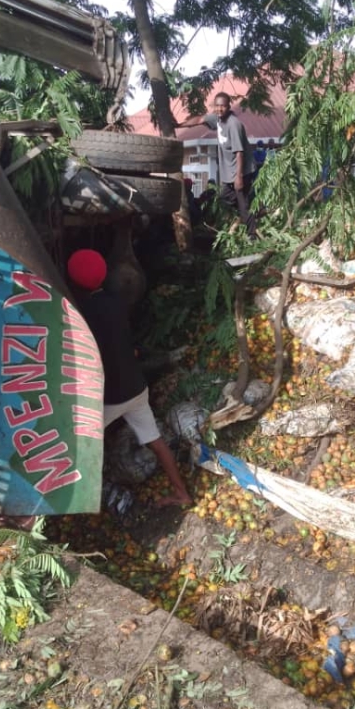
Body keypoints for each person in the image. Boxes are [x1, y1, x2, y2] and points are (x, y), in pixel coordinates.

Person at [67, 249, 193, 508]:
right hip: (136, 388)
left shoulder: (80, 314)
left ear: (73, 280)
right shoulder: (116, 302)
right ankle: (182, 493)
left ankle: (81, 503)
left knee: (78, 445)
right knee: (155, 441)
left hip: (110, 398)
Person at [178, 92, 257, 237]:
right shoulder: (217, 119)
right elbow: (200, 119)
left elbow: (240, 152)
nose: (219, 109)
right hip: (229, 172)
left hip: (241, 171)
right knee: (224, 198)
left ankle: (252, 236)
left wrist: (238, 177)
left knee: (243, 204)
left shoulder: (234, 124)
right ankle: (249, 212)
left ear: (228, 106)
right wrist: (179, 125)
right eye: (217, 106)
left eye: (223, 106)